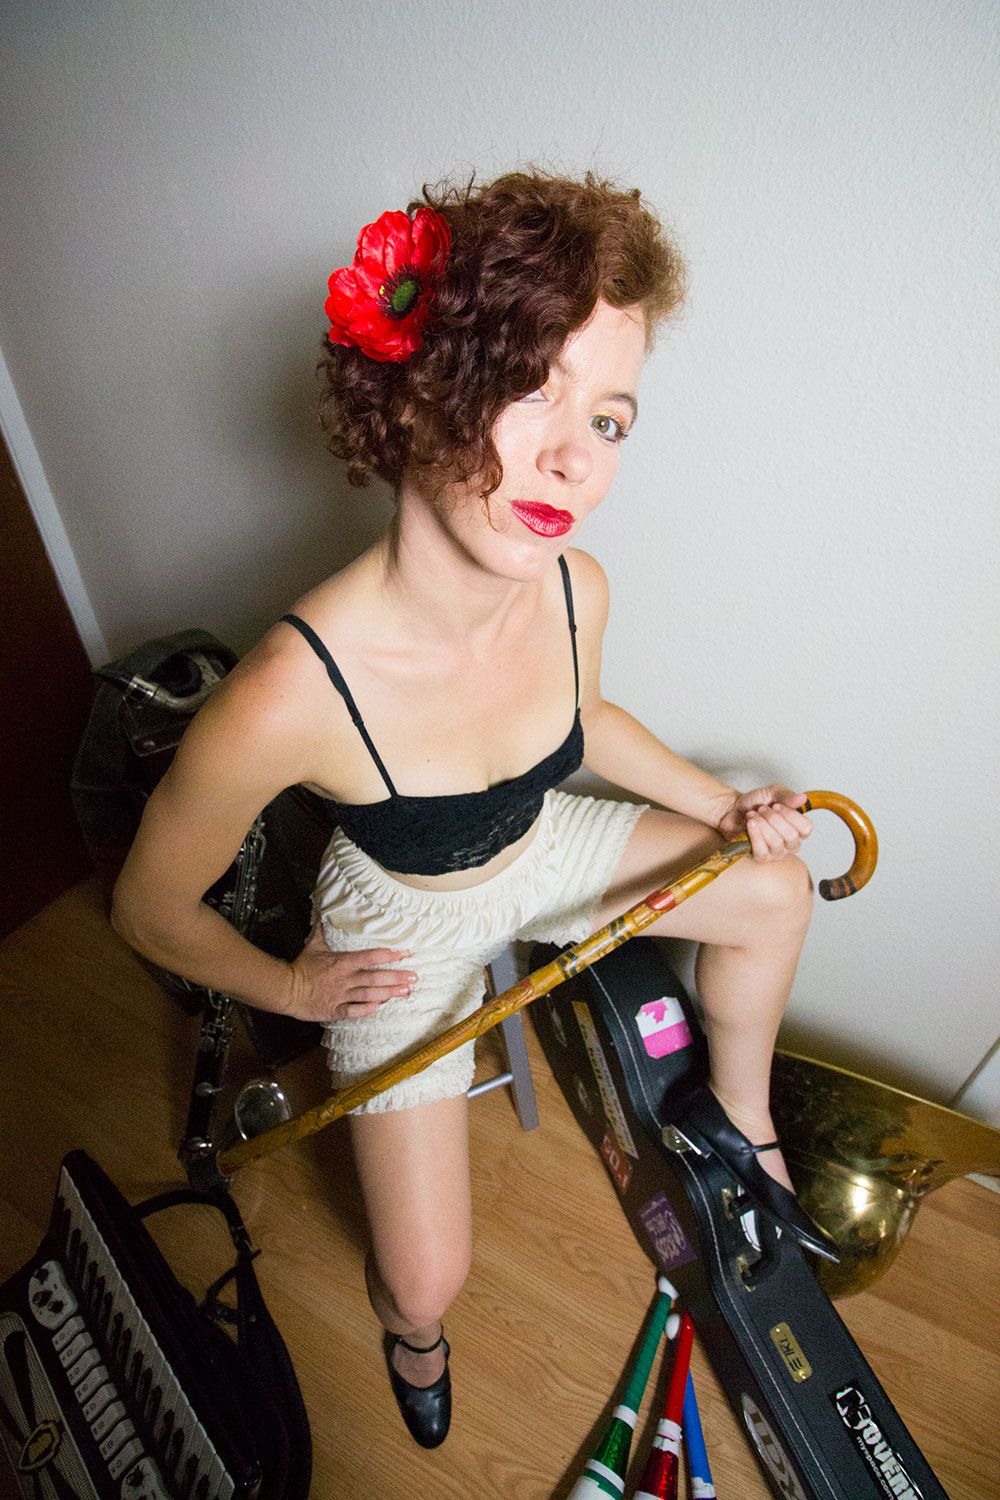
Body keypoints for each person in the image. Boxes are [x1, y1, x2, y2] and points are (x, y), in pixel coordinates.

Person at [111, 166, 832, 1451]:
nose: (573, 458)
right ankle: (413, 1336)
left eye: (607, 417)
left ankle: (740, 1119)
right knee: (425, 1276)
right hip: (403, 919)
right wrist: (295, 989)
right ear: (414, 392)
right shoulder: (287, 693)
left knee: (774, 890)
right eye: (528, 386)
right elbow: (150, 910)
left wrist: (722, 806)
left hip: (536, 845)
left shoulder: (573, 587)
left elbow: (585, 716)